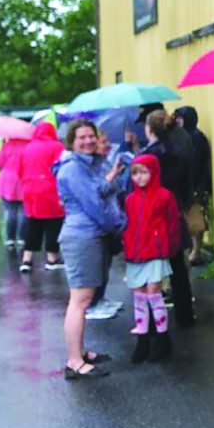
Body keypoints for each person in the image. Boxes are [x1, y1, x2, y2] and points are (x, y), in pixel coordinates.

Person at [54, 119, 126, 380]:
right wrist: (121, 226)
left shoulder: (91, 164)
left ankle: (81, 351)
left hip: (93, 236)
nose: (87, 141)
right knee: (80, 301)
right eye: (81, 138)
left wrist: (112, 177)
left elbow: (100, 190)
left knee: (84, 299)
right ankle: (74, 361)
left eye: (90, 136)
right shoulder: (72, 169)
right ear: (71, 142)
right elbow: (95, 205)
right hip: (82, 238)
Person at [122, 154, 180, 363]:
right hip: (135, 253)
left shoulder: (164, 196)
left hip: (156, 251)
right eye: (135, 173)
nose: (139, 177)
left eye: (144, 172)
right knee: (138, 294)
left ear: (154, 172)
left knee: (154, 292)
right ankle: (143, 339)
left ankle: (163, 338)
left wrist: (169, 247)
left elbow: (173, 223)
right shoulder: (130, 199)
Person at [142, 110, 196, 327]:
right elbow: (185, 185)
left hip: (153, 217)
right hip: (174, 213)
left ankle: (151, 321)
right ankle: (185, 316)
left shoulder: (147, 158)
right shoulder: (179, 152)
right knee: (178, 269)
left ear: (149, 129)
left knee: (151, 270)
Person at [84, 130, 128, 321]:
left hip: (111, 220)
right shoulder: (90, 167)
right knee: (98, 265)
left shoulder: (105, 162)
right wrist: (112, 176)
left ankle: (101, 298)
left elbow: (117, 186)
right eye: (103, 141)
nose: (107, 144)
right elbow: (98, 191)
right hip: (99, 223)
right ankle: (92, 304)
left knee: (106, 261)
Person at [18, 121, 66, 273]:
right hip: (51, 189)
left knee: (33, 223)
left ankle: (27, 259)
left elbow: (20, 171)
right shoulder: (57, 147)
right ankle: (52, 258)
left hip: (30, 190)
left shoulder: (27, 148)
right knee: (53, 223)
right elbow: (62, 170)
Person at [174, 106, 212, 265]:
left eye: (180, 118)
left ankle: (195, 251)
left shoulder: (196, 137)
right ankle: (193, 251)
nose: (177, 121)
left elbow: (196, 164)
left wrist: (193, 185)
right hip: (186, 183)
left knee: (195, 219)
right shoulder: (182, 136)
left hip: (195, 183)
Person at [0, 137, 28, 249]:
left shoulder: (7, 146)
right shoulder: (29, 146)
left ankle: (10, 238)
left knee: (10, 210)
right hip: (24, 179)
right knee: (24, 211)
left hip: (7, 181)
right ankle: (22, 237)